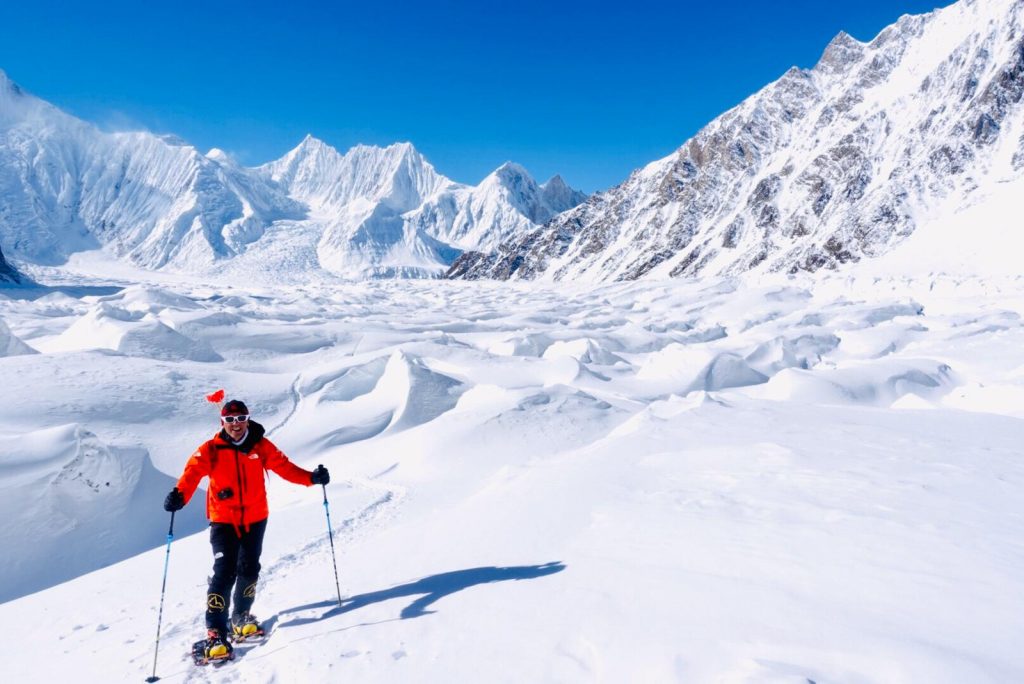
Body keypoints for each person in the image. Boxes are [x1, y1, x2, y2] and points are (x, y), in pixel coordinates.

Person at [163, 399, 330, 661]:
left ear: (248, 419)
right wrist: (179, 497)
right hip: (223, 520)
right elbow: (192, 474)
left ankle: (240, 616)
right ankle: (215, 632)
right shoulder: (211, 449)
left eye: (241, 418)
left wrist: (312, 478)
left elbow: (284, 468)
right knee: (225, 571)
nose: (236, 425)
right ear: (223, 423)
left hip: (255, 517)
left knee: (249, 568)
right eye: (230, 420)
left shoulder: (260, 445)